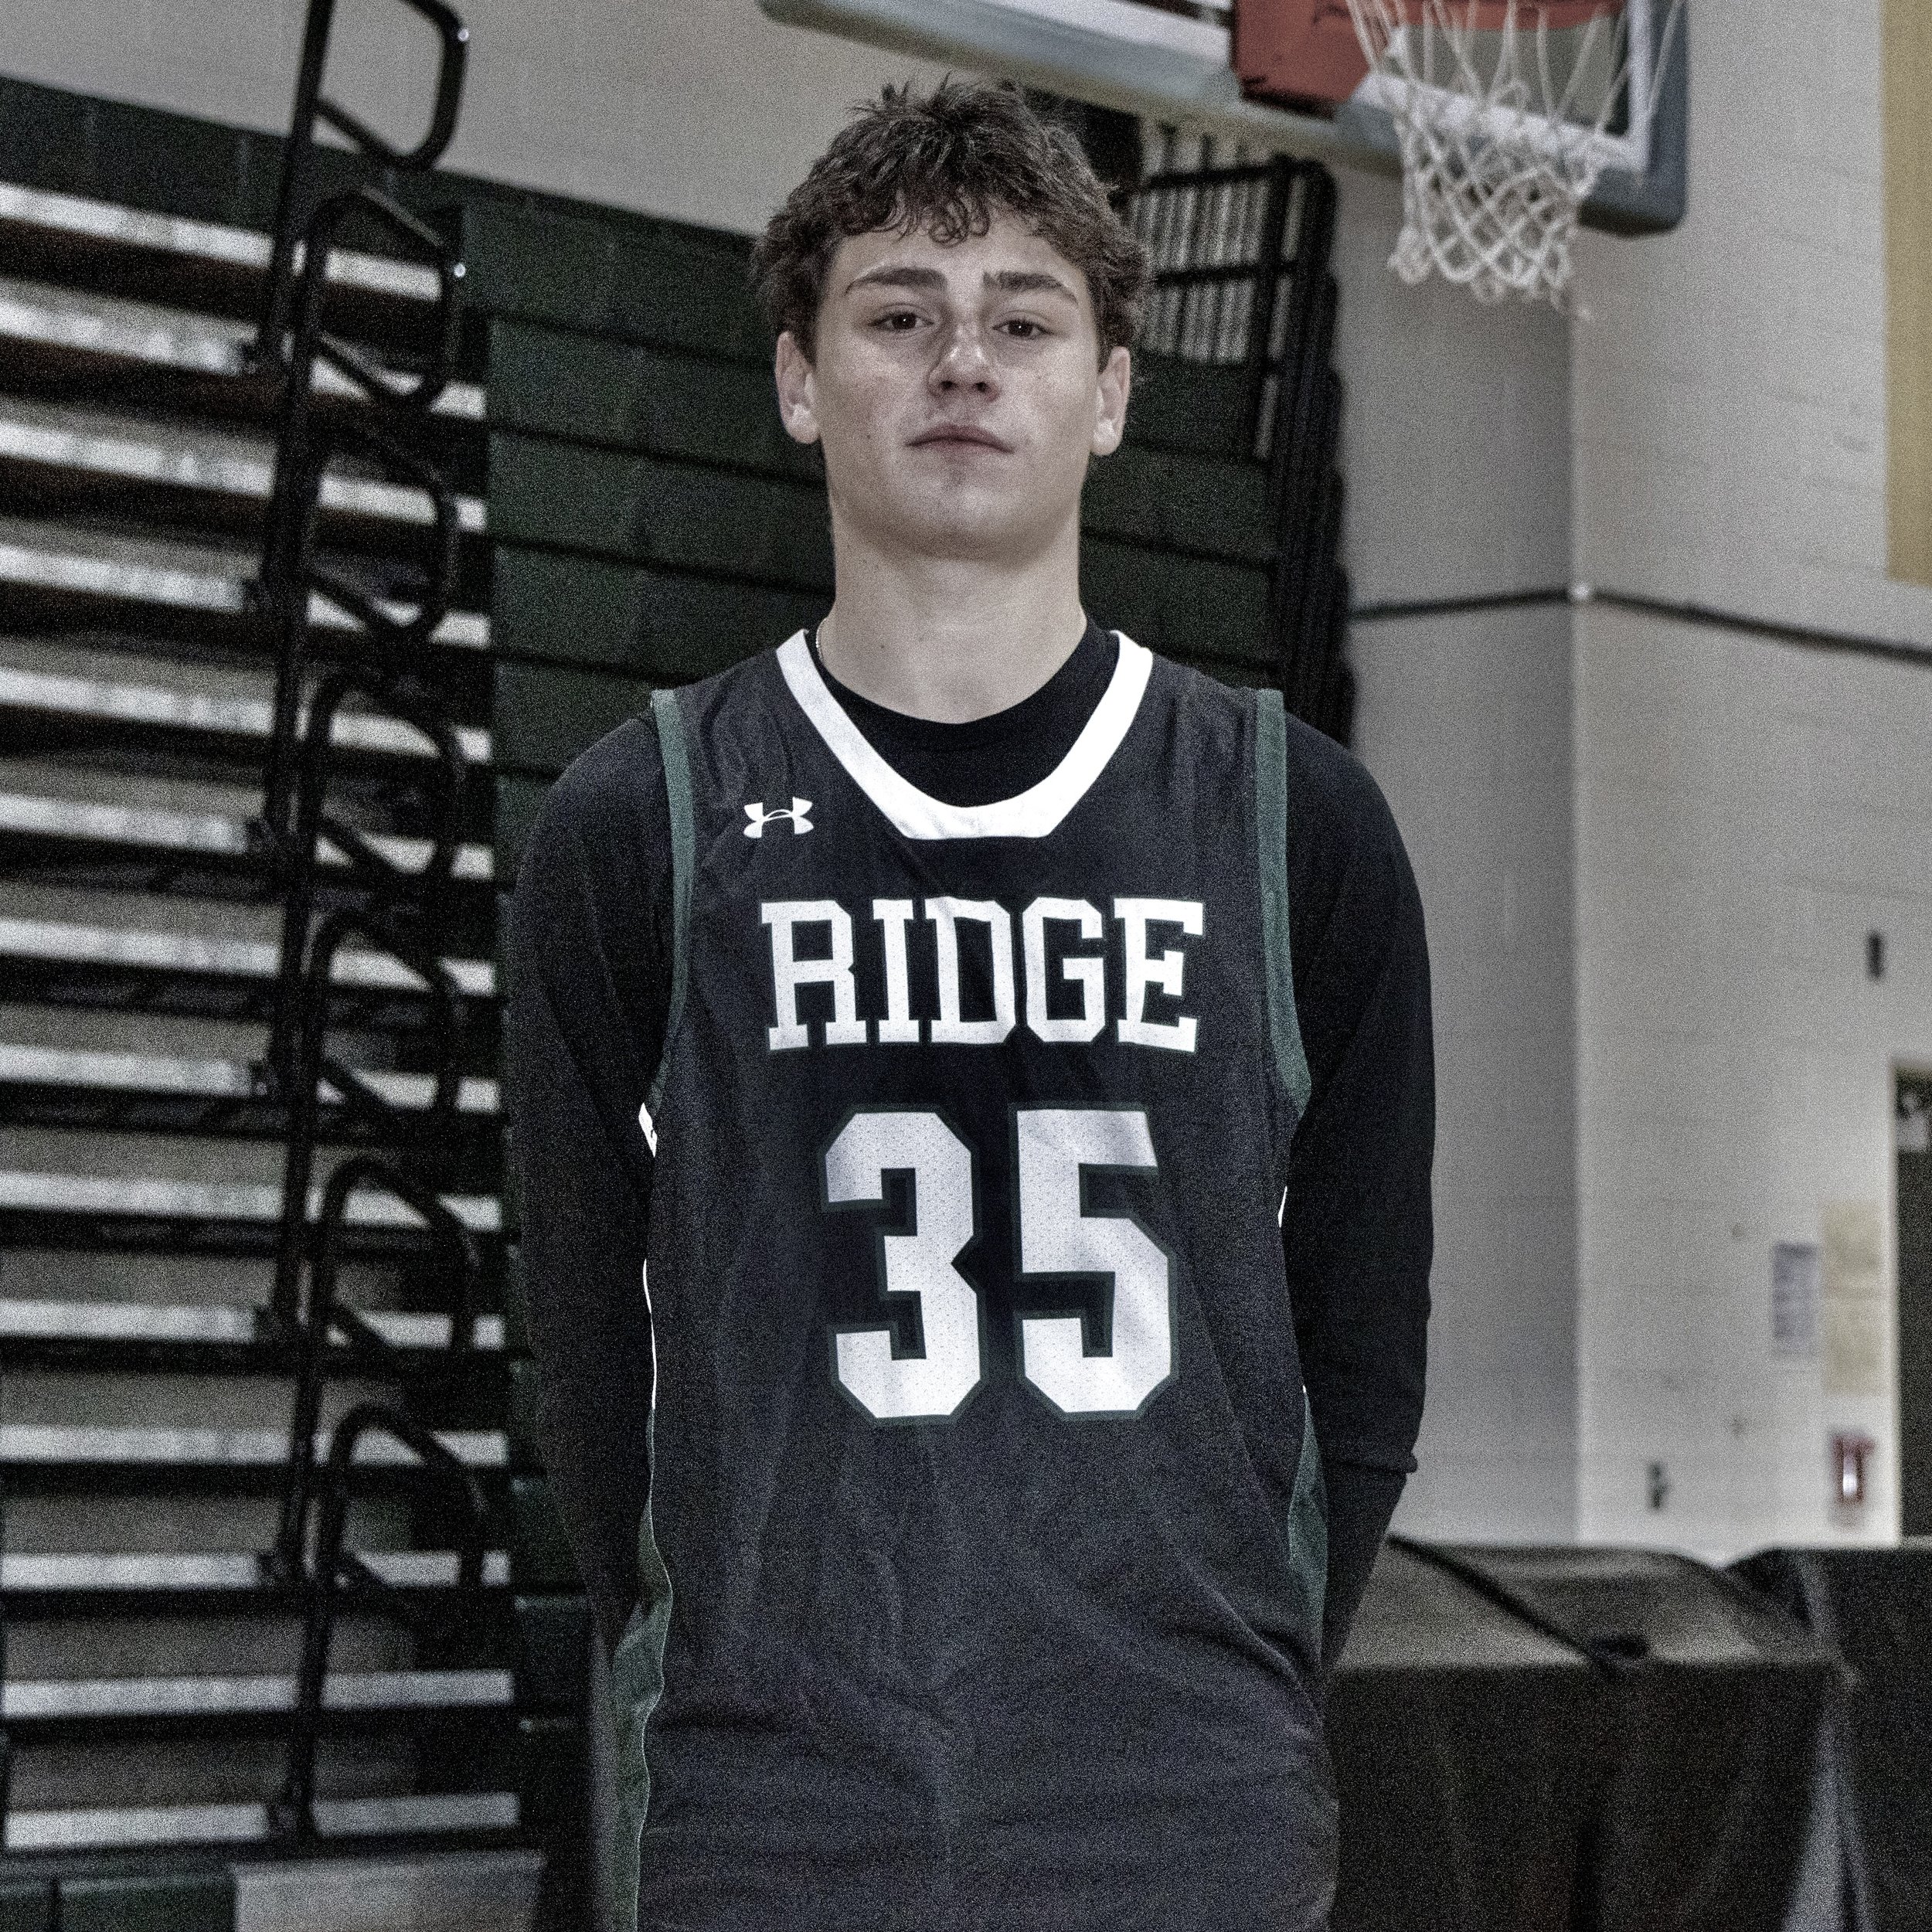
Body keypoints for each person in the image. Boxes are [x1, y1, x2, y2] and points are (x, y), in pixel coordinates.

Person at [506, 80, 1432, 1932]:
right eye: (896, 311)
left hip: (1177, 1796)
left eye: (1024, 317)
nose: (961, 359)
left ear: (1105, 394)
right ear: (796, 377)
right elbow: (582, 1349)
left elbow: (1362, 1345)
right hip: (774, 1797)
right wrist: (719, 1645)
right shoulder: (641, 824)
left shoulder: (1287, 820)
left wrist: (1222, 1665)